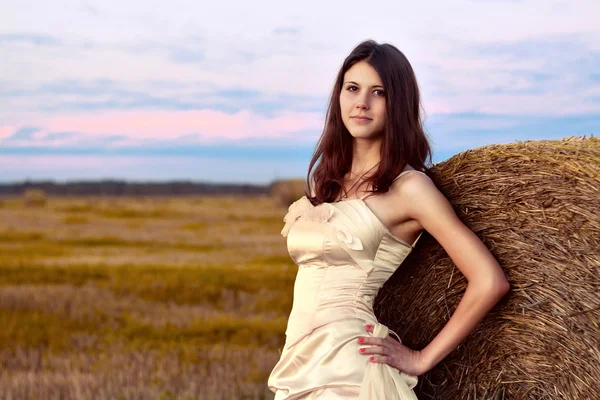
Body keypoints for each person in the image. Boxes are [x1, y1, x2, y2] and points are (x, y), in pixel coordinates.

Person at [267, 40, 510, 399]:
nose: (361, 102)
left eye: (377, 92)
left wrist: (421, 359)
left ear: (397, 103)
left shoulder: (410, 188)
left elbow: (489, 280)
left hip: (352, 367)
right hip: (300, 362)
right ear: (339, 97)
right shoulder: (328, 181)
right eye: (352, 88)